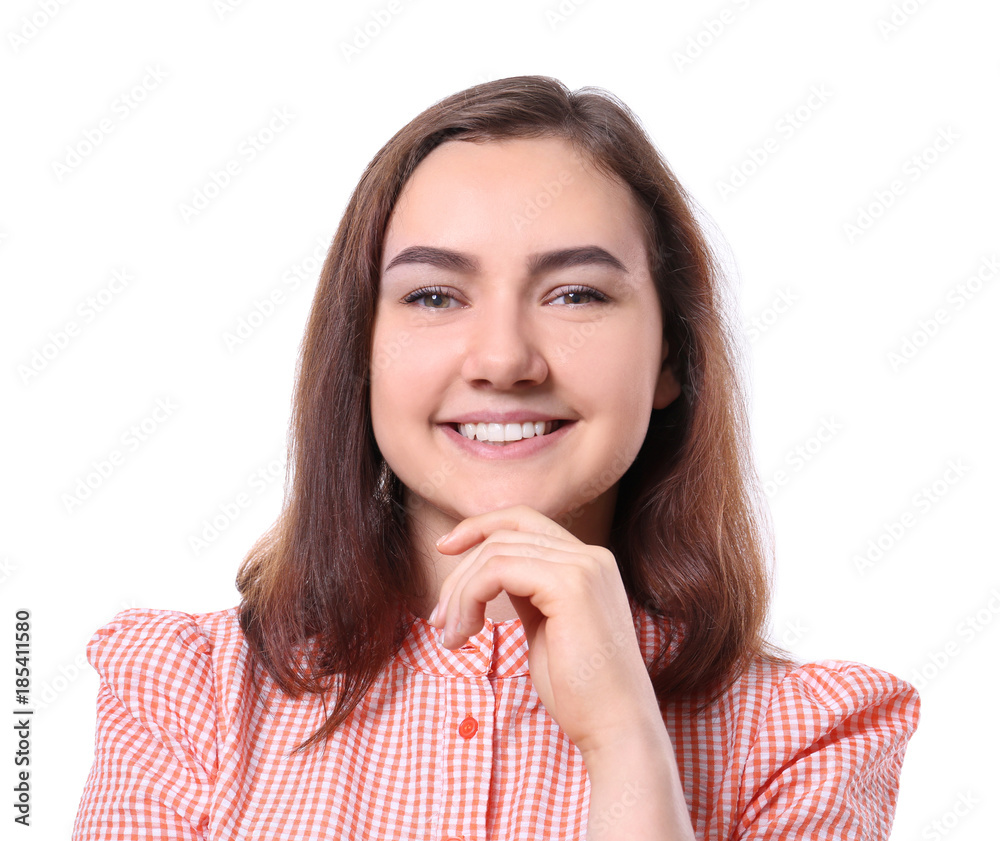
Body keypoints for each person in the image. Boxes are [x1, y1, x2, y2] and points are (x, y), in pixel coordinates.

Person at [72, 76, 919, 840]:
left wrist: (626, 743)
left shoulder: (811, 738)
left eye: (576, 293)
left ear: (672, 357)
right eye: (434, 295)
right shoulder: (184, 696)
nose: (504, 359)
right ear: (361, 349)